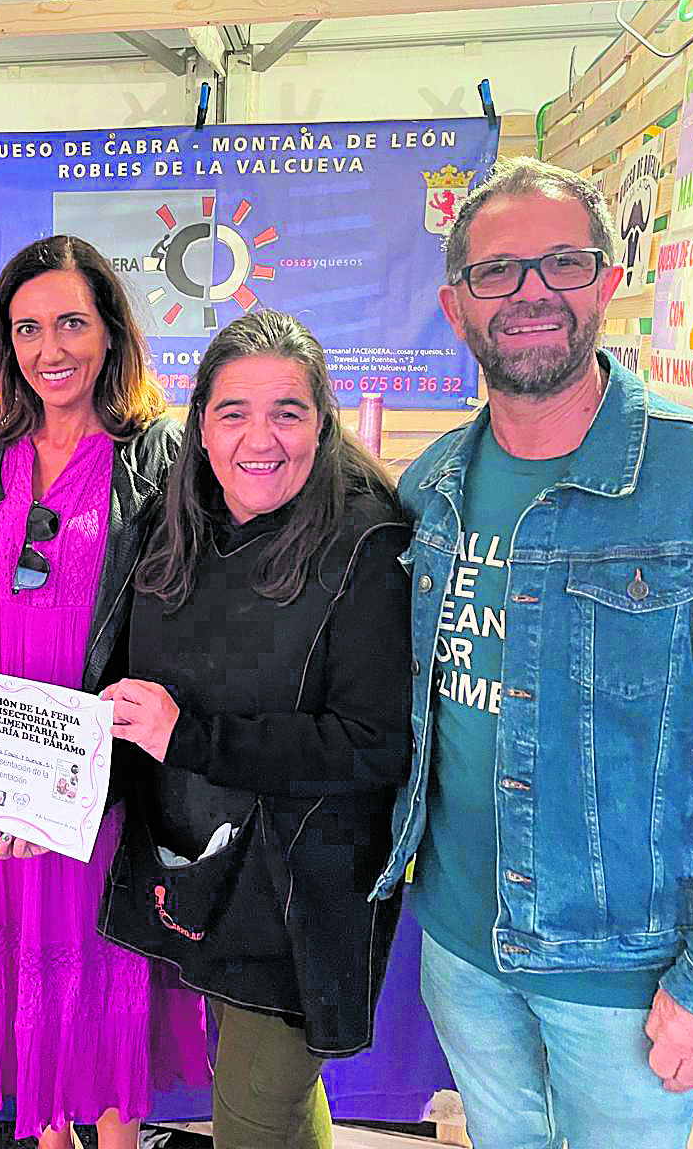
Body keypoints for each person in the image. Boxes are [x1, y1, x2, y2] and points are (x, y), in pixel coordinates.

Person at [371, 156, 693, 1149]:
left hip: (630, 979)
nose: (531, 292)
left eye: (561, 262)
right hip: (462, 953)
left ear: (606, 279)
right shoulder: (431, 490)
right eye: (498, 272)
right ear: (455, 305)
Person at [99, 309, 413, 1148]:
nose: (259, 438)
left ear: (322, 422)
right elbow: (124, 694)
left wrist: (194, 738)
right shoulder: (177, 525)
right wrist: (44, 796)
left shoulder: (367, 543)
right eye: (233, 411)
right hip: (197, 865)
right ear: (199, 424)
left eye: (288, 411)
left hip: (298, 881)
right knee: (260, 1093)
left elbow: (374, 744)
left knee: (252, 1107)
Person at [0, 235, 211, 1149]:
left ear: (111, 332)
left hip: (93, 776)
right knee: (21, 967)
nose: (49, 349)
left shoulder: (157, 455)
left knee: (96, 971)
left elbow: (180, 620)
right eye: (27, 328)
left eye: (71, 323)